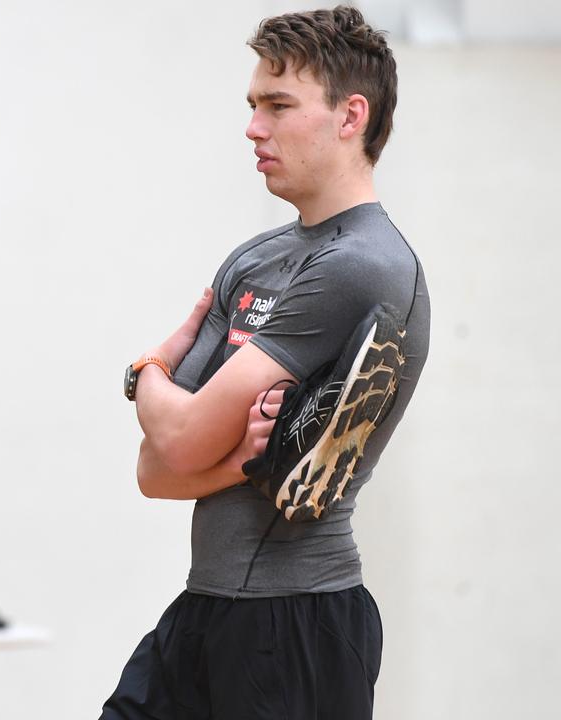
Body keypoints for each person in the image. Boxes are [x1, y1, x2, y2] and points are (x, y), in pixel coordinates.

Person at [101, 6, 430, 719]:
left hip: (294, 625)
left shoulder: (361, 266)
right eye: (253, 105)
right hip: (203, 613)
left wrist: (146, 373)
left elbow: (180, 439)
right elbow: (154, 472)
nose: (254, 127)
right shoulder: (254, 261)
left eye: (279, 106)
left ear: (350, 117)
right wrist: (215, 449)